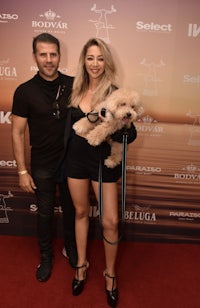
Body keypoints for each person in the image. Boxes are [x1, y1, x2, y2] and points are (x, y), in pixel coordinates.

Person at [65, 38, 137, 307]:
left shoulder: (116, 93)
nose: (95, 64)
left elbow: (131, 130)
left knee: (109, 222)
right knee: (81, 213)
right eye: (90, 58)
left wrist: (127, 128)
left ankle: (110, 275)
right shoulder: (73, 90)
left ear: (107, 62)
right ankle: (81, 266)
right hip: (75, 162)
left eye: (100, 58)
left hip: (103, 162)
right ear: (84, 61)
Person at [11, 33, 77, 282]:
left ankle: (71, 248)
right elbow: (17, 133)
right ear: (35, 57)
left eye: (53, 54)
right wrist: (21, 170)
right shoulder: (24, 91)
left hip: (72, 163)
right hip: (42, 165)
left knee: (73, 211)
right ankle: (46, 257)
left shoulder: (75, 84)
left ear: (59, 55)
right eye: (43, 54)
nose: (49, 60)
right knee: (45, 214)